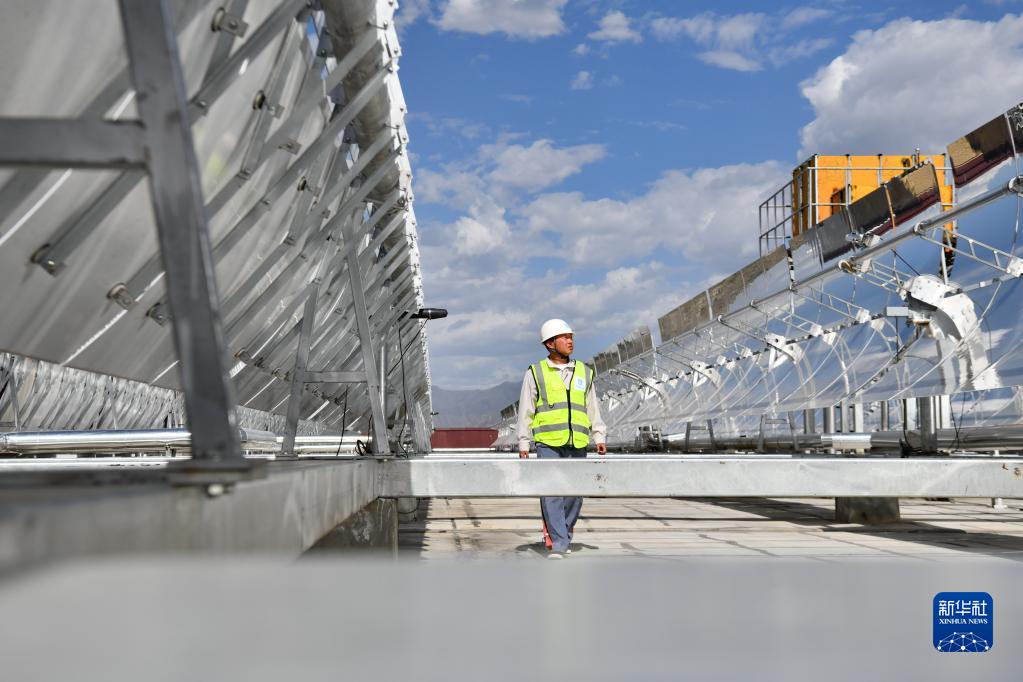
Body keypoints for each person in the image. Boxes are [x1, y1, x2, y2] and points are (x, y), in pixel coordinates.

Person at [517, 319, 607, 559]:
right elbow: (526, 408)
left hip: (578, 441)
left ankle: (562, 531)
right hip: (548, 442)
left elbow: (592, 406)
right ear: (550, 344)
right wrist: (523, 441)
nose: (570, 341)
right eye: (565, 337)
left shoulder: (584, 372)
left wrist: (599, 435)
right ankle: (558, 541)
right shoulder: (535, 372)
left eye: (571, 337)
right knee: (552, 491)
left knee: (575, 494)